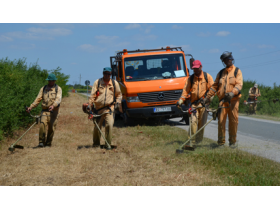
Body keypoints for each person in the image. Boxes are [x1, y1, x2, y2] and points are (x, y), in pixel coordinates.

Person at [203, 51, 243, 149]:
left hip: (233, 101)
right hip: (222, 101)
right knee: (221, 122)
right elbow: (214, 86)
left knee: (233, 121)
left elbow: (239, 85)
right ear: (223, 61)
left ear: (231, 59)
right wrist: (207, 97)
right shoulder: (221, 73)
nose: (227, 61)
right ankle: (221, 143)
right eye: (225, 60)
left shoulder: (237, 71)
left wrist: (232, 92)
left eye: (229, 59)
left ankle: (232, 143)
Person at [177, 60, 214, 147]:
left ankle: (199, 142)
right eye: (194, 69)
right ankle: (191, 142)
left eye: (197, 68)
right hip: (194, 105)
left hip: (204, 104)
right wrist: (181, 100)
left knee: (201, 124)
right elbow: (185, 91)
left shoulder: (207, 77)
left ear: (201, 67)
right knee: (193, 122)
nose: (196, 70)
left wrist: (208, 98)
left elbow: (212, 89)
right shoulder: (190, 79)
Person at [88, 67, 122, 148]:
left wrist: (117, 103)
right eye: (105, 73)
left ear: (110, 74)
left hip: (109, 109)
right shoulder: (98, 82)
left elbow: (119, 95)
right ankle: (96, 145)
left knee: (109, 125)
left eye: (109, 74)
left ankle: (108, 144)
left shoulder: (114, 83)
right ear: (103, 73)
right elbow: (92, 95)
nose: (107, 75)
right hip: (98, 109)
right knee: (97, 127)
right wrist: (90, 105)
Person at [26, 73, 62, 148]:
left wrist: (53, 106)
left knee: (51, 127)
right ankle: (41, 142)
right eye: (49, 81)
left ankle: (48, 143)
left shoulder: (58, 89)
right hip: (44, 110)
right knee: (42, 125)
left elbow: (58, 99)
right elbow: (38, 99)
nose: (50, 82)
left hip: (54, 111)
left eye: (52, 81)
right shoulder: (43, 88)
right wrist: (31, 107)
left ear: (54, 81)